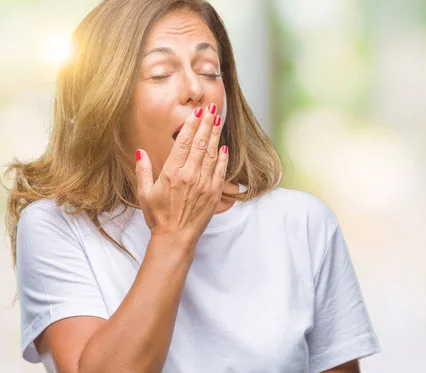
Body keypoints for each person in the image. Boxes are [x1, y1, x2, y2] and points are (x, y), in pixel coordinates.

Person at [4, 0, 381, 372]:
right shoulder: (55, 225)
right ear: (105, 102)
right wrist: (173, 234)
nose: (195, 89)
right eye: (159, 73)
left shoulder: (304, 223)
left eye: (209, 71)